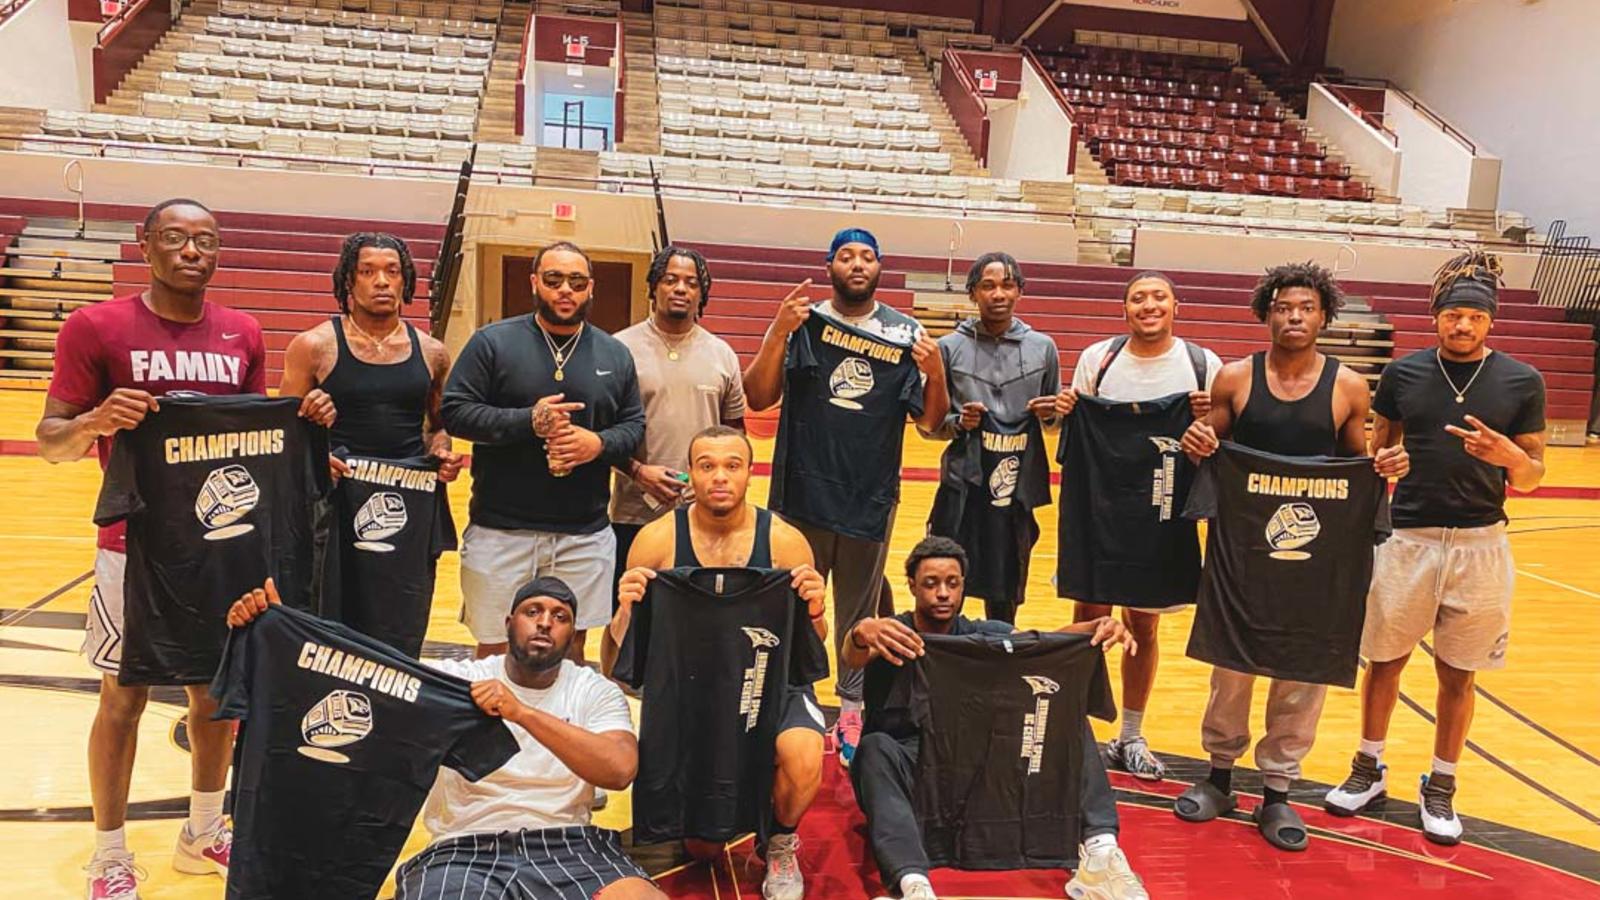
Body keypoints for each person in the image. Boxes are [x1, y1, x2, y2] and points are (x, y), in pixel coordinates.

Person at [34, 198, 335, 900]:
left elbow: (251, 438)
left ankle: (202, 831)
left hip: (222, 545)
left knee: (217, 694)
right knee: (123, 695)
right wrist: (95, 421)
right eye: (175, 238)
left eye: (206, 240)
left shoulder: (242, 332)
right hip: (134, 545)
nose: (192, 251)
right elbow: (51, 440)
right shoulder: (95, 327)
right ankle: (109, 855)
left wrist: (307, 423)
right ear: (146, 245)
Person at [224, 577, 664, 899]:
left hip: (567, 842)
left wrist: (522, 713)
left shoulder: (593, 689)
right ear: (509, 622)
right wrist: (283, 633)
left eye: (560, 617)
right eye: (533, 612)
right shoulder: (454, 679)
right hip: (462, 848)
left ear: (573, 635)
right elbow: (352, 675)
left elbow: (619, 770)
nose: (545, 623)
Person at [1177, 261, 1408, 851]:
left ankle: (1278, 790)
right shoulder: (1235, 377)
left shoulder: (1348, 387)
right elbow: (1208, 448)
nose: (1294, 317)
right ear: (1267, 315)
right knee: (1232, 665)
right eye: (1283, 308)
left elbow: (1355, 467)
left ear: (1324, 316)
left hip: (1316, 556)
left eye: (1306, 308)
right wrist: (1197, 439)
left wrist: (1384, 466)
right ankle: (1219, 776)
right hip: (1242, 552)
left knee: (1301, 668)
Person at [1324, 251, 1546, 845]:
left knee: (1459, 673)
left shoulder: (1522, 381)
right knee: (1384, 662)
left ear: (1490, 321)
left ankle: (1441, 783)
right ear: (1436, 318)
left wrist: (1510, 458)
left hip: (1480, 544)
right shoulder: (1403, 374)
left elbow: (1532, 475)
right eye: (1453, 315)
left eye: (1475, 316)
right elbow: (1379, 450)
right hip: (1408, 538)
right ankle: (1368, 766)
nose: (1463, 325)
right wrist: (1386, 461)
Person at [742, 227, 950, 767]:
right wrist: (777, 332)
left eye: (867, 257)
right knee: (792, 607)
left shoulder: (904, 334)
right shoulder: (804, 322)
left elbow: (931, 424)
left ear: (880, 267)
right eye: (846, 256)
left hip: (868, 498)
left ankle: (852, 709)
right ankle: (790, 701)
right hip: (800, 493)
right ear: (829, 265)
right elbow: (757, 397)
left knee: (859, 613)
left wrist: (935, 374)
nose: (857, 264)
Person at [841, 536, 1148, 900]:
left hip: (970, 774)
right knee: (874, 748)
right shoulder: (892, 633)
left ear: (963, 586)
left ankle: (1101, 852)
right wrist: (861, 632)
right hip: (911, 774)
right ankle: (913, 886)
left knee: (1065, 719)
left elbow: (1042, 642)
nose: (943, 593)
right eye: (931, 583)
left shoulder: (982, 633)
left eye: (952, 583)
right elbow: (853, 655)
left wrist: (1097, 627)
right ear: (911, 585)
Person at [611, 425, 828, 900]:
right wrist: (625, 612)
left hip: (769, 685)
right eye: (707, 466)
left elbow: (811, 651)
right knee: (703, 849)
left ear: (750, 473)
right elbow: (618, 662)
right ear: (690, 474)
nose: (720, 477)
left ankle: (780, 841)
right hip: (693, 693)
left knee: (804, 753)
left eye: (732, 465)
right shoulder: (656, 541)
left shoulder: (785, 542)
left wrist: (815, 612)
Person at [1054, 270, 1222, 781]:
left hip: (1162, 507)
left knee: (1143, 624)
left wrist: (1210, 419)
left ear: (1176, 306)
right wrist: (1064, 409)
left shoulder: (1202, 365)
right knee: (1089, 617)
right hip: (1098, 503)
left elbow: (1221, 436)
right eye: (1138, 298)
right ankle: (1077, 730)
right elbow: (1070, 426)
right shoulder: (1098, 359)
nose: (1148, 306)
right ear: (1124, 309)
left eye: (1159, 297)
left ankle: (1130, 734)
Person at [442, 241, 644, 660]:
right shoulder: (493, 343)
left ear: (591, 288)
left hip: (583, 533)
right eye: (553, 279)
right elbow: (456, 412)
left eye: (576, 281)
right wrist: (528, 421)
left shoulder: (615, 354)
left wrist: (597, 444)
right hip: (501, 529)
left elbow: (633, 427)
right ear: (534, 282)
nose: (565, 289)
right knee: (496, 648)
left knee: (570, 648)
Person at [921, 252, 1065, 624]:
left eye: (1007, 285)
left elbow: (1055, 423)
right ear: (972, 293)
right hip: (961, 485)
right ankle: (943, 651)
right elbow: (929, 426)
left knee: (1005, 591)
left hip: (1015, 489)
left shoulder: (1043, 348)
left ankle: (1000, 650)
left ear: (1020, 291)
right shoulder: (948, 348)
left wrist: (1050, 413)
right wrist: (959, 422)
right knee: (946, 582)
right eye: (987, 286)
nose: (998, 294)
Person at [609, 246, 746, 617]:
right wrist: (638, 472)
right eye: (670, 280)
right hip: (634, 514)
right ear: (653, 287)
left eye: (691, 282)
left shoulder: (722, 354)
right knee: (628, 617)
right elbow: (603, 434)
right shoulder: (619, 349)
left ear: (702, 294)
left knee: (695, 619)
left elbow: (736, 436)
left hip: (704, 518)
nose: (681, 289)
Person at [279, 231, 462, 477]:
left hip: (407, 490)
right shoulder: (312, 346)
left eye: (392, 272)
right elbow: (283, 430)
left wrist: (442, 454)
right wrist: (314, 460)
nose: (382, 281)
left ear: (404, 280)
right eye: (367, 272)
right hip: (338, 490)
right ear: (349, 281)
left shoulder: (433, 352)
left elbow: (438, 428)